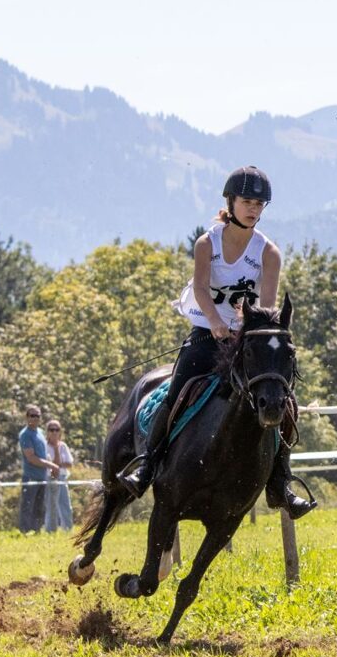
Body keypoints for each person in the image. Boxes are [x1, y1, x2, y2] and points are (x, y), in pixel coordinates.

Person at [118, 166, 314, 518]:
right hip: (207, 333)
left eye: (259, 204)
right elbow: (200, 289)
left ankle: (281, 482)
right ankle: (147, 464)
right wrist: (215, 323)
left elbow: (267, 307)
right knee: (176, 391)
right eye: (247, 202)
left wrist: (246, 332)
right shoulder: (207, 244)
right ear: (231, 202)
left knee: (283, 398)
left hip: (246, 340)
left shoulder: (268, 253)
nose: (253, 209)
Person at [17, 405, 58, 533]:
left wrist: (50, 464)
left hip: (42, 476)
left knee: (40, 507)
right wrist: (51, 465)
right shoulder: (25, 434)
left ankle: (37, 531)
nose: (35, 418)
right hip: (30, 477)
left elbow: (43, 454)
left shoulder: (40, 432)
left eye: (37, 416)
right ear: (27, 417)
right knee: (28, 506)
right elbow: (31, 458)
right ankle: (24, 532)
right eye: (32, 415)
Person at [43, 419, 74, 533]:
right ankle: (51, 530)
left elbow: (69, 464)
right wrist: (56, 449)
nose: (54, 432)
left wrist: (58, 464)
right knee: (52, 506)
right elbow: (54, 465)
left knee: (66, 505)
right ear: (47, 432)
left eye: (57, 430)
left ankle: (68, 529)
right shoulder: (44, 446)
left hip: (62, 478)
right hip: (50, 479)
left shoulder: (63, 446)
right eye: (52, 430)